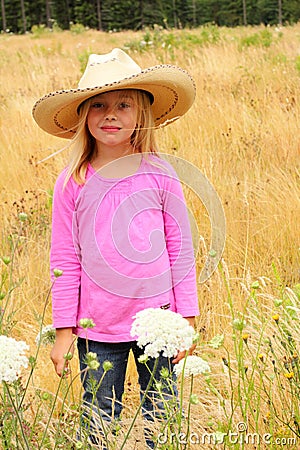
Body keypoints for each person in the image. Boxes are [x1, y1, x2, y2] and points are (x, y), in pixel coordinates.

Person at [32, 48, 200, 448]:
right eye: (99, 105)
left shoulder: (160, 172)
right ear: (84, 116)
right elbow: (65, 258)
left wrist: (186, 317)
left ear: (141, 114)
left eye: (124, 104)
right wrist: (63, 329)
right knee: (98, 418)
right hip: (98, 324)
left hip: (157, 321)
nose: (111, 115)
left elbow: (179, 246)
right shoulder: (72, 182)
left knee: (161, 413)